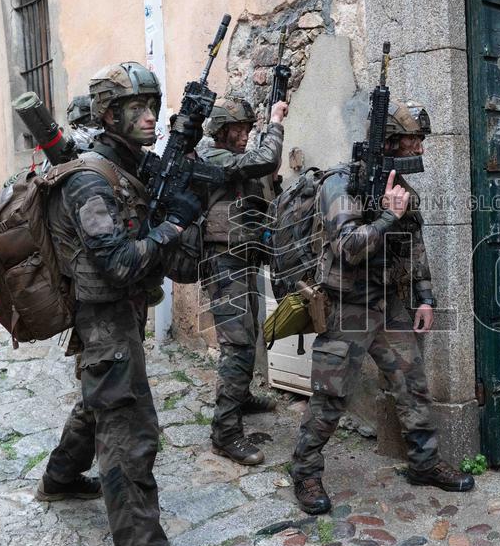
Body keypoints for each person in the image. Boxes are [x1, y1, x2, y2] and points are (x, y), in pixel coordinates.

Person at [37, 62, 213, 546]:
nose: (149, 117)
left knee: (98, 402)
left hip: (121, 319)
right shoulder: (91, 181)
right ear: (109, 115)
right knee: (129, 428)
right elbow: (116, 264)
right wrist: (173, 226)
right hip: (106, 319)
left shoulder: (133, 167)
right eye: (136, 108)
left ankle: (61, 478)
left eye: (153, 106)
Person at [290, 100, 475, 515]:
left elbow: (415, 246)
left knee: (413, 383)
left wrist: (425, 298)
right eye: (415, 141)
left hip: (388, 304)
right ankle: (304, 470)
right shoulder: (341, 184)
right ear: (393, 141)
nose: (422, 150)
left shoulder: (403, 190)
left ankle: (424, 464)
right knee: (331, 395)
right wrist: (388, 216)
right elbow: (348, 246)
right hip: (347, 305)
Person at [200, 97, 288, 466]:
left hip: (243, 258)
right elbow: (263, 160)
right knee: (237, 343)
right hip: (223, 263)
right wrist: (276, 123)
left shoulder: (233, 160)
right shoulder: (212, 157)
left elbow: (265, 174)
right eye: (238, 129)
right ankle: (226, 432)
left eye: (249, 129)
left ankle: (241, 396)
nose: (244, 135)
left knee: (249, 335)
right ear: (220, 131)